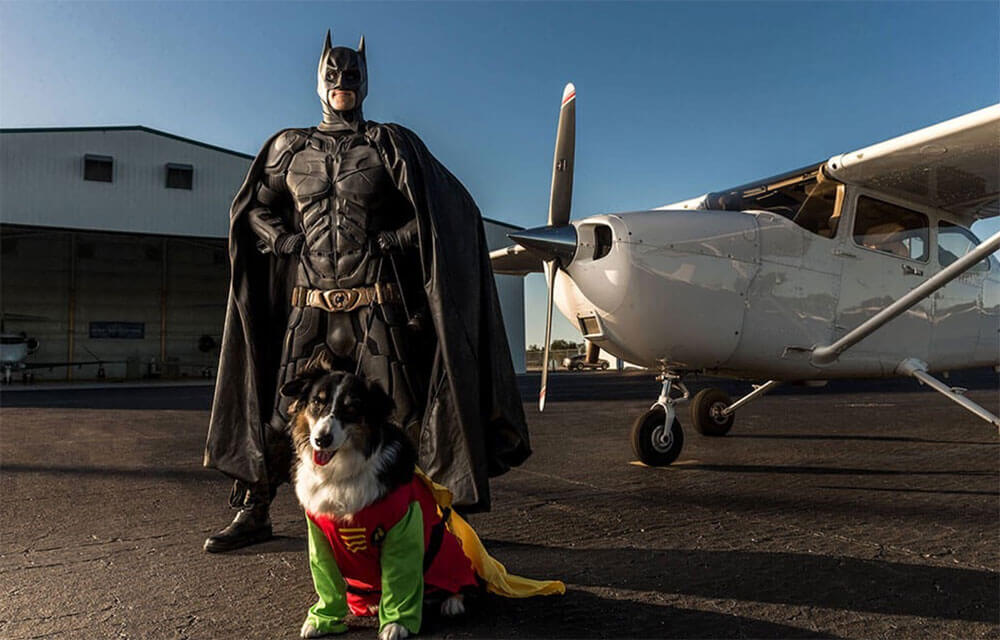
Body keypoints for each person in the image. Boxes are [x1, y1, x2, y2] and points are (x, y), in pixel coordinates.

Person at [202, 31, 530, 552]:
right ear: (319, 79)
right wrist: (279, 237)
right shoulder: (288, 149)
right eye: (333, 74)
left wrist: (394, 238)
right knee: (278, 412)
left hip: (375, 304)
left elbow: (444, 213)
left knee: (403, 414)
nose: (342, 83)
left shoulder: (388, 146)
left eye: (352, 75)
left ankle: (433, 520)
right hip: (306, 306)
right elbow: (252, 210)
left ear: (365, 81)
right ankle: (254, 508)